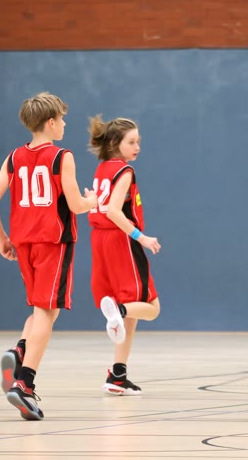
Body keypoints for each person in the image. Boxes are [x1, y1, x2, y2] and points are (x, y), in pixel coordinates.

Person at [0, 92, 97, 420]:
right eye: (62, 119)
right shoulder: (62, 157)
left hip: (23, 243)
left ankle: (20, 349)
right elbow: (75, 205)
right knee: (47, 312)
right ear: (50, 122)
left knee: (40, 308)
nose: (65, 124)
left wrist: (2, 238)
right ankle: (25, 383)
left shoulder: (14, 157)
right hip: (53, 241)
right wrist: (92, 201)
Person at [87, 115, 162, 396]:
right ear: (115, 144)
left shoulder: (102, 169)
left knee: (132, 309)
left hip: (99, 240)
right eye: (131, 142)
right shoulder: (124, 171)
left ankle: (118, 375)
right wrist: (141, 237)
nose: (137, 147)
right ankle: (117, 310)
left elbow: (100, 206)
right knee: (151, 308)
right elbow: (113, 211)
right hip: (121, 241)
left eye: (138, 141)